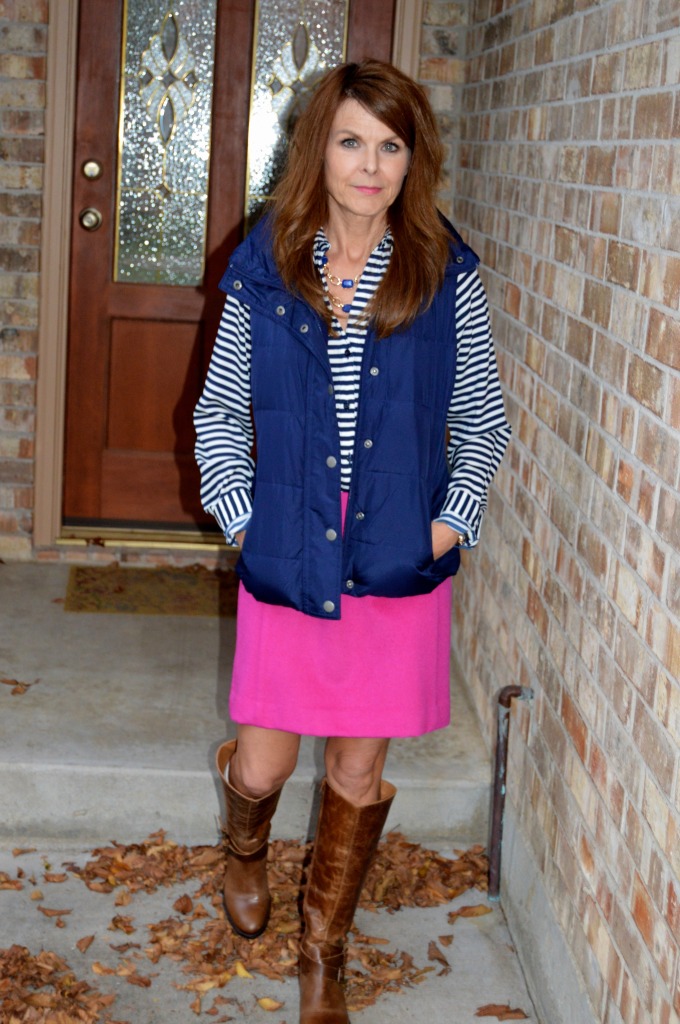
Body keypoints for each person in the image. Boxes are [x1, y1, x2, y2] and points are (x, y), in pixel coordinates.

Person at [194, 59, 511, 1024]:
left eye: (391, 146)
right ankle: (245, 841)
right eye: (351, 142)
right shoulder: (263, 263)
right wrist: (250, 524)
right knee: (267, 762)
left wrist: (447, 524)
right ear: (317, 149)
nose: (370, 166)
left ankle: (324, 950)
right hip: (289, 546)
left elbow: (483, 421)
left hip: (392, 558)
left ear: (413, 160)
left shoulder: (443, 273)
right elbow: (218, 417)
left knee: (359, 770)